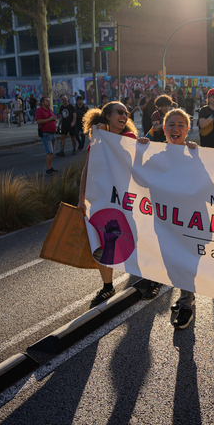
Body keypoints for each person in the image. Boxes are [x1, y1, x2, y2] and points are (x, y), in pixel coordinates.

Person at [136, 109, 199, 327]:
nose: (176, 128)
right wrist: (139, 151)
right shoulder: (157, 156)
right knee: (172, 264)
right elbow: (140, 179)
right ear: (164, 129)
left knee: (185, 263)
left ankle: (186, 305)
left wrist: (198, 156)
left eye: (181, 124)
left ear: (187, 130)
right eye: (171, 124)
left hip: (190, 223)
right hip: (163, 223)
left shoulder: (195, 154)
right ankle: (186, 297)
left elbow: (210, 184)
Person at [78, 101, 138, 308]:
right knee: (104, 242)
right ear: (108, 117)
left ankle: (147, 277)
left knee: (135, 238)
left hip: (126, 198)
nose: (125, 116)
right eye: (119, 112)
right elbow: (87, 169)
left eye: (126, 113)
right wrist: (81, 198)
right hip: (103, 197)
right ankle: (107, 286)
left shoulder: (129, 138)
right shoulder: (97, 140)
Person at [36, 97, 59, 176]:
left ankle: (50, 167)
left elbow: (53, 118)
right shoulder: (39, 110)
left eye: (49, 101)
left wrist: (54, 120)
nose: (49, 102)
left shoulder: (50, 110)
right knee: (49, 152)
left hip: (53, 133)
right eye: (47, 101)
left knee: (51, 152)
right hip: (46, 134)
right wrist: (50, 119)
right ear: (42, 102)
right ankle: (48, 169)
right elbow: (39, 121)